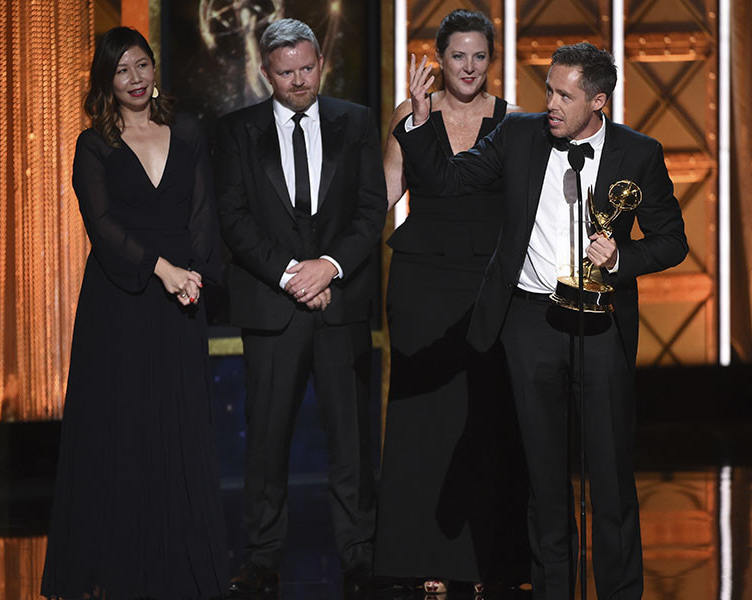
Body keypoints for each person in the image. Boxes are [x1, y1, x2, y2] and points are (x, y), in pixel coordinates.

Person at [394, 43, 688, 599]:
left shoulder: (639, 153)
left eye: (564, 95)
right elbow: (448, 181)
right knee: (545, 482)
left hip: (600, 327)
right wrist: (418, 121)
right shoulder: (520, 135)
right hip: (529, 324)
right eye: (548, 89)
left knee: (610, 480)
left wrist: (622, 259)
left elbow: (673, 241)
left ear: (598, 101)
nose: (549, 102)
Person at [41, 27, 228, 599]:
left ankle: (183, 565)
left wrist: (193, 273)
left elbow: (203, 210)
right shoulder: (92, 144)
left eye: (142, 65)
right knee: (120, 429)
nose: (136, 79)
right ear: (106, 80)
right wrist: (163, 270)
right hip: (119, 304)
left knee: (180, 426)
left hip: (181, 299)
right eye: (122, 70)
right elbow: (102, 229)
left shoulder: (188, 130)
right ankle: (115, 567)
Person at [213, 18, 387, 598]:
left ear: (322, 62)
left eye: (307, 69)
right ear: (266, 72)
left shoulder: (356, 122)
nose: (298, 80)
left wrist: (329, 266)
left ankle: (359, 556)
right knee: (265, 440)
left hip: (339, 302)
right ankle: (262, 559)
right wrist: (292, 274)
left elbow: (370, 209)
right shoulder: (237, 131)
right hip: (272, 305)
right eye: (285, 72)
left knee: (352, 441)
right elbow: (233, 219)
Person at [373, 9, 529, 595]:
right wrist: (332, 259)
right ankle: (427, 559)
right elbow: (387, 194)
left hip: (488, 284)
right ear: (438, 58)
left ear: (491, 59)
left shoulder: (512, 121)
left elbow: (523, 207)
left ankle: (488, 560)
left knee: (487, 413)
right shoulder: (411, 116)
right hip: (420, 284)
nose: (469, 67)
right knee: (424, 419)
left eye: (479, 56)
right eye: (458, 56)